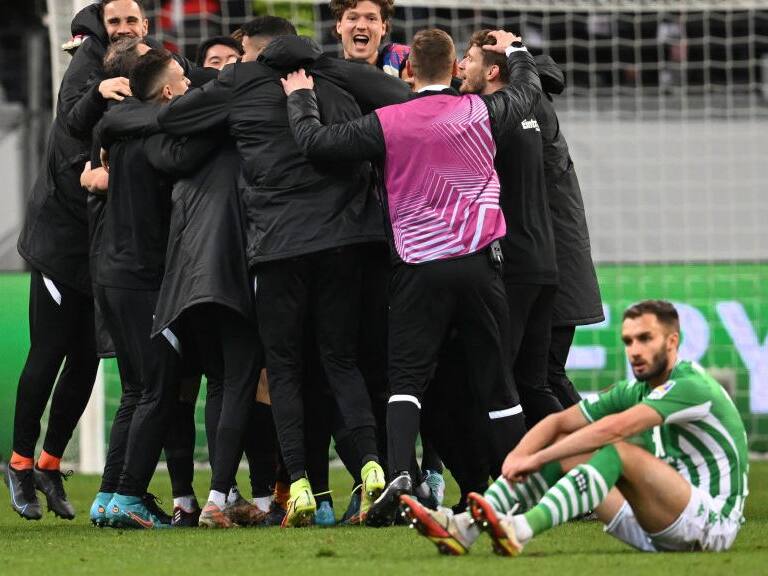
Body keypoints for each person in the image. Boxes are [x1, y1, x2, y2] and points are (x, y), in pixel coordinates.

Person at [157, 16, 409, 526]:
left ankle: (298, 486)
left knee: (286, 369)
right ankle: (372, 466)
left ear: (254, 50)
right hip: (345, 243)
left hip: (278, 246)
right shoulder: (334, 73)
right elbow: (400, 98)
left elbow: (173, 118)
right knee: (341, 362)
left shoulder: (240, 80)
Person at [282, 27, 540, 526]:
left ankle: (400, 474)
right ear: (455, 68)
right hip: (478, 264)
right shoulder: (481, 111)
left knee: (406, 380)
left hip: (418, 267)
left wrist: (300, 98)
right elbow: (527, 90)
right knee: (497, 384)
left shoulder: (388, 120)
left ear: (409, 72)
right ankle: (519, 483)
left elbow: (315, 143)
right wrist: (515, 49)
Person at [403, 300, 748, 555]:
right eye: (629, 341)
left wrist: (537, 458)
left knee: (617, 451)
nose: (635, 350)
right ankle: (464, 529)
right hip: (660, 522)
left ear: (672, 341)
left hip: (710, 525)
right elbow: (559, 421)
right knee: (571, 450)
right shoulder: (638, 388)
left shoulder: (691, 386)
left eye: (646, 339)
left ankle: (520, 529)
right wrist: (518, 456)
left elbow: (614, 430)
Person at [6, 0, 148, 522]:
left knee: (87, 359)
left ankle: (49, 464)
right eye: (115, 22)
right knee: (48, 354)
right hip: (60, 244)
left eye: (131, 21)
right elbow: (72, 119)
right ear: (102, 28)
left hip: (100, 248)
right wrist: (99, 92)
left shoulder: (145, 67)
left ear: (145, 25)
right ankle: (18, 464)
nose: (124, 29)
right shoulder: (87, 70)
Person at [93, 48, 217, 529]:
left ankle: (109, 496)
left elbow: (112, 122)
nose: (189, 85)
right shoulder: (160, 139)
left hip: (113, 274)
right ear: (167, 92)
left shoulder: (126, 132)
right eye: (182, 79)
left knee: (136, 390)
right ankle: (128, 496)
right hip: (141, 281)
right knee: (160, 388)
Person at [533, 54, 604, 408]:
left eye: (470, 59)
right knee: (541, 376)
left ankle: (596, 440)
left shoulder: (532, 112)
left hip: (555, 273)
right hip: (556, 269)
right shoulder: (536, 106)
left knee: (544, 375)